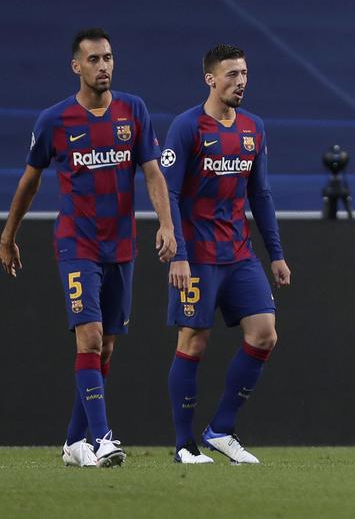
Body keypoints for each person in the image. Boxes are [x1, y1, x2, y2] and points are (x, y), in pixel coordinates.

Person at [1, 28, 177, 468]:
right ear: (76, 66)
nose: (104, 66)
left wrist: (167, 225)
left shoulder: (133, 110)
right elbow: (30, 180)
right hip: (76, 243)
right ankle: (101, 439)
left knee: (107, 348)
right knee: (91, 337)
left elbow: (153, 173)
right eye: (94, 59)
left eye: (109, 58)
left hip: (121, 246)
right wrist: (8, 234)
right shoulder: (55, 120)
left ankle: (72, 442)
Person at [161, 44, 292, 465]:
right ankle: (184, 446)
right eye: (232, 74)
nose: (240, 82)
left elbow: (261, 194)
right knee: (194, 342)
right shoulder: (187, 127)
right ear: (210, 79)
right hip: (197, 256)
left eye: (244, 74)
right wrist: (177, 253)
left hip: (239, 254)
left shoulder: (254, 128)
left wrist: (276, 253)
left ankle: (221, 429)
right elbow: (170, 193)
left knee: (265, 333)